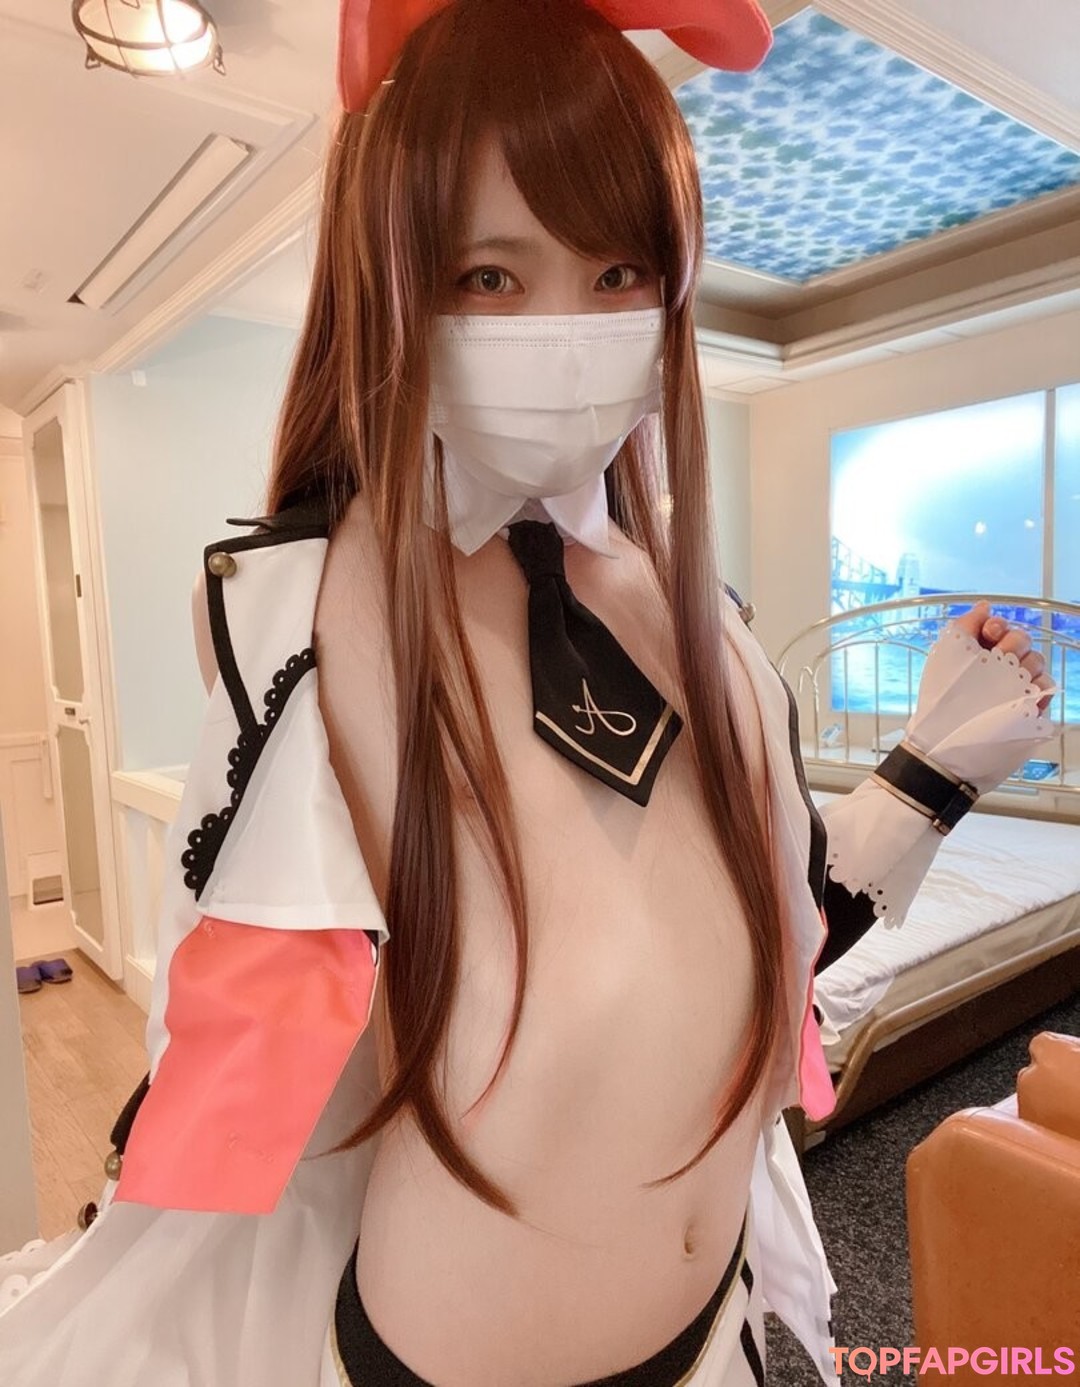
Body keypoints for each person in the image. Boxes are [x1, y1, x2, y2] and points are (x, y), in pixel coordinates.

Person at [0, 2, 1057, 1384]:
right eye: (490, 275)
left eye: (620, 270)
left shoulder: (711, 627)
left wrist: (934, 760)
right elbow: (245, 1064)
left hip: (717, 1338)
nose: (567, 330)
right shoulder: (308, 625)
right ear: (392, 282)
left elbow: (753, 954)